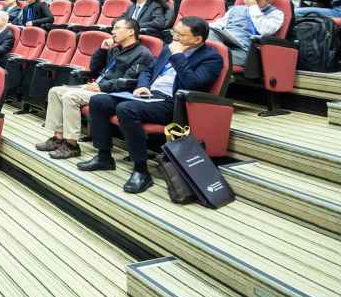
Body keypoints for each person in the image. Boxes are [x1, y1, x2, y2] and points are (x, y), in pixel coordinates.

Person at [79, 17, 223, 194]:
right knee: (99, 101)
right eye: (174, 32)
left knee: (126, 109)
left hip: (174, 103)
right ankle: (104, 157)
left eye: (180, 35)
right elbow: (148, 70)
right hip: (149, 95)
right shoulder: (169, 48)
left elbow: (192, 83)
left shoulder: (211, 58)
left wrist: (178, 56)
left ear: (197, 39)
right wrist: (143, 85)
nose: (174, 37)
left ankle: (141, 170)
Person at [35, 17, 154, 160]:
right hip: (97, 86)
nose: (113, 31)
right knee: (55, 91)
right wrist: (102, 49)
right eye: (113, 28)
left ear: (130, 32)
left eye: (117, 28)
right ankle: (58, 137)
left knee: (70, 97)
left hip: (114, 93)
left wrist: (100, 87)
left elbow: (128, 82)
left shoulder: (142, 54)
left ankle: (71, 144)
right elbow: (94, 68)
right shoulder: (115, 49)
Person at [208, 0, 285, 67]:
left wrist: (253, 7)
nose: (251, 1)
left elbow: (265, 31)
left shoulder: (276, 14)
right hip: (226, 44)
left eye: (257, 1)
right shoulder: (236, 9)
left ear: (269, 0)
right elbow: (217, 26)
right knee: (207, 31)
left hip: (247, 53)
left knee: (207, 57)